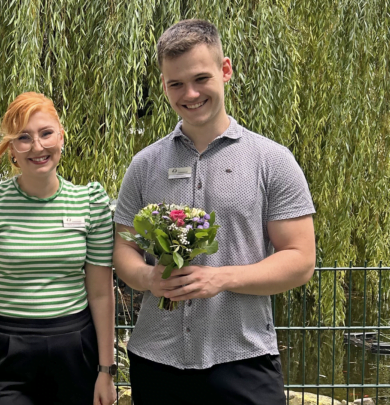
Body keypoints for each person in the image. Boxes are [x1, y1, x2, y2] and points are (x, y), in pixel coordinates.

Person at [113, 19, 316, 404]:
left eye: (200, 78)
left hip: (243, 359)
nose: (189, 93)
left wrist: (219, 278)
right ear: (163, 84)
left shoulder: (272, 161)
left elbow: (301, 261)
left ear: (225, 70)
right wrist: (147, 277)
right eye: (175, 84)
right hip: (156, 359)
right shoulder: (144, 165)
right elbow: (123, 249)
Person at [0, 92, 117, 405]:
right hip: (4, 348)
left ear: (61, 137)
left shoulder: (91, 203)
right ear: (11, 148)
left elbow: (100, 292)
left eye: (46, 133)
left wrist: (106, 370)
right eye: (23, 138)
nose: (38, 146)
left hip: (75, 346)